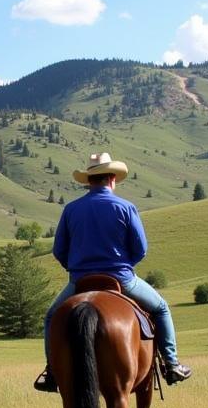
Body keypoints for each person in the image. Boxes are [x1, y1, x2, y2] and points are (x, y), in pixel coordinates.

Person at [34, 152, 192, 392]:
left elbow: (59, 250)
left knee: (50, 317)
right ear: (112, 179)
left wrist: (75, 268)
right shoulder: (126, 207)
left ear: (89, 180)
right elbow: (141, 249)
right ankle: (171, 364)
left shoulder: (71, 209)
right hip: (121, 278)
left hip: (80, 281)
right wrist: (125, 266)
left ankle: (52, 372)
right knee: (161, 308)